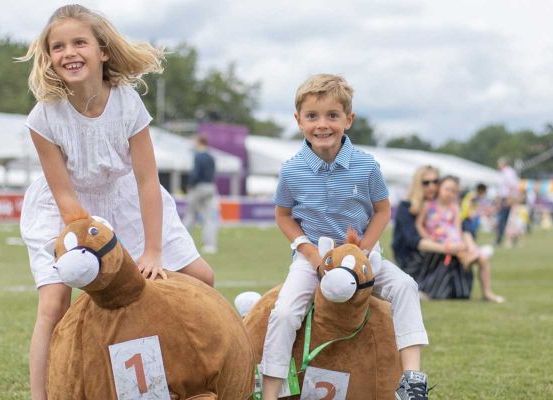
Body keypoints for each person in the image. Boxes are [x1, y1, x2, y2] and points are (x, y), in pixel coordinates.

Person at [16, 6, 215, 400]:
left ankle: (193, 373)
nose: (69, 52)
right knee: (53, 304)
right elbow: (65, 195)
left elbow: (147, 181)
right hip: (67, 212)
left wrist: (153, 251)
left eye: (79, 42)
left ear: (103, 51)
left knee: (201, 278)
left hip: (126, 201)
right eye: (58, 46)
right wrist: (94, 243)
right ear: (49, 57)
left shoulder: (127, 103)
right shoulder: (43, 117)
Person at [259, 74, 429, 400]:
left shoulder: (367, 166)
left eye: (332, 115)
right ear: (298, 120)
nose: (322, 124)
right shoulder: (291, 170)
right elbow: (283, 216)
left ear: (348, 120)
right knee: (284, 313)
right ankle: (270, 392)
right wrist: (310, 254)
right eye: (312, 116)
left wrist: (363, 248)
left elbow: (382, 210)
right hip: (312, 259)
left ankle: (411, 381)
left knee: (406, 286)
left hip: (362, 258)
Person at [418, 176, 504, 302]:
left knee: (482, 258)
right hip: (438, 238)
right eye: (447, 189)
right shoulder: (428, 205)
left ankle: (487, 292)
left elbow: (457, 228)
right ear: (439, 188)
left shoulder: (454, 207)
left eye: (453, 191)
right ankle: (467, 259)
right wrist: (426, 236)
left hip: (452, 238)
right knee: (460, 248)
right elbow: (419, 224)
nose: (449, 193)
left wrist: (460, 242)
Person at [182, 135, 219, 254]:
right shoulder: (211, 156)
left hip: (199, 188)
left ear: (199, 142)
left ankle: (181, 242)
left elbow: (195, 173)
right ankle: (210, 245)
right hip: (210, 187)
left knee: (190, 214)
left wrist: (189, 185)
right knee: (209, 218)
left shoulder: (198, 156)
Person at [494, 157, 520, 246]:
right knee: (505, 219)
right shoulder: (505, 172)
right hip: (506, 198)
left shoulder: (508, 172)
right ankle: (507, 237)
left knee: (505, 219)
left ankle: (504, 238)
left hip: (508, 198)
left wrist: (509, 199)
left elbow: (512, 186)